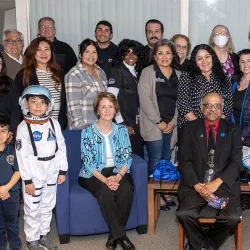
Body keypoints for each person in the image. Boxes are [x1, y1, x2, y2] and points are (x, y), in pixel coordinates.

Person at [176, 92, 242, 250]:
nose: (212, 109)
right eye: (208, 105)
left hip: (223, 186)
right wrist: (199, 187)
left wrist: (216, 183)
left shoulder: (233, 129)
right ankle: (206, 246)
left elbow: (236, 163)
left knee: (232, 218)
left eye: (217, 106)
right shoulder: (188, 128)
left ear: (221, 110)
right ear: (202, 108)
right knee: (183, 214)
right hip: (196, 185)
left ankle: (203, 245)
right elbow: (185, 162)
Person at [78, 92, 135, 250]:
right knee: (105, 192)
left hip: (117, 170)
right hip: (92, 173)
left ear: (115, 109)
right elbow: (87, 162)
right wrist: (106, 181)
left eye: (110, 106)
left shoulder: (122, 131)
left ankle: (113, 236)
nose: (107, 110)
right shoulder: (87, 132)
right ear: (97, 110)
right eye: (103, 107)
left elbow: (127, 157)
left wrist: (117, 177)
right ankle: (121, 236)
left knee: (126, 190)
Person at [15, 85, 68, 250]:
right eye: (33, 101)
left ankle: (43, 235)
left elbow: (61, 147)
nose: (38, 106)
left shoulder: (53, 123)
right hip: (33, 169)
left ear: (49, 105)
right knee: (33, 206)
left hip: (52, 167)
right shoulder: (23, 127)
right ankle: (32, 239)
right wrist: (28, 180)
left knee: (48, 204)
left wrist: (62, 170)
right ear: (25, 104)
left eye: (42, 102)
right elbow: (21, 156)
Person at [138, 39, 181, 176]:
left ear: (173, 55)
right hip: (154, 125)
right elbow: (145, 99)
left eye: (167, 53)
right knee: (155, 160)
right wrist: (159, 122)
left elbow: (181, 101)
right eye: (160, 53)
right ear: (155, 56)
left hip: (171, 126)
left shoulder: (179, 75)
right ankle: (151, 197)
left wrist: (173, 122)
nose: (164, 57)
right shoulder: (148, 72)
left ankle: (162, 195)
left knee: (167, 160)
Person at [15, 37, 67, 130]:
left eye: (47, 49)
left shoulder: (59, 73)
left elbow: (64, 101)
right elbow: (18, 105)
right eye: (39, 50)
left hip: (58, 126)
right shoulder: (24, 75)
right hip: (34, 126)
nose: (44, 53)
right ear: (33, 52)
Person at [177, 44, 233, 130]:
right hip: (192, 127)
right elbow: (183, 105)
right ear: (195, 62)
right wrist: (202, 128)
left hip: (218, 128)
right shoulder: (187, 77)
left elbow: (228, 105)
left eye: (207, 57)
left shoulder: (224, 77)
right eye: (199, 59)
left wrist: (214, 127)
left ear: (212, 58)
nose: (204, 61)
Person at [107, 39, 145, 158]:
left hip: (137, 124)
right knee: (128, 159)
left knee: (138, 158)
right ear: (122, 54)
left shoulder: (138, 71)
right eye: (127, 52)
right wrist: (121, 123)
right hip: (125, 124)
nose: (131, 56)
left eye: (134, 53)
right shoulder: (117, 70)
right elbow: (110, 100)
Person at [65, 38, 107, 130]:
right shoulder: (74, 74)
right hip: (82, 128)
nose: (91, 55)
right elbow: (73, 106)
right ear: (80, 54)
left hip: (101, 127)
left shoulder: (101, 72)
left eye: (94, 52)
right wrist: (84, 128)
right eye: (87, 52)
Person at [0, 114, 21, 250]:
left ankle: (15, 247)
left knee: (12, 224)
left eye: (3, 131)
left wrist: (6, 188)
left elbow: (18, 172)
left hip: (11, 194)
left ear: (8, 134)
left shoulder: (12, 151)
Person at [0, 53, 21, 135]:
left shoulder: (9, 82)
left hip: (7, 130)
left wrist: (10, 131)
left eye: (0, 63)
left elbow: (16, 109)